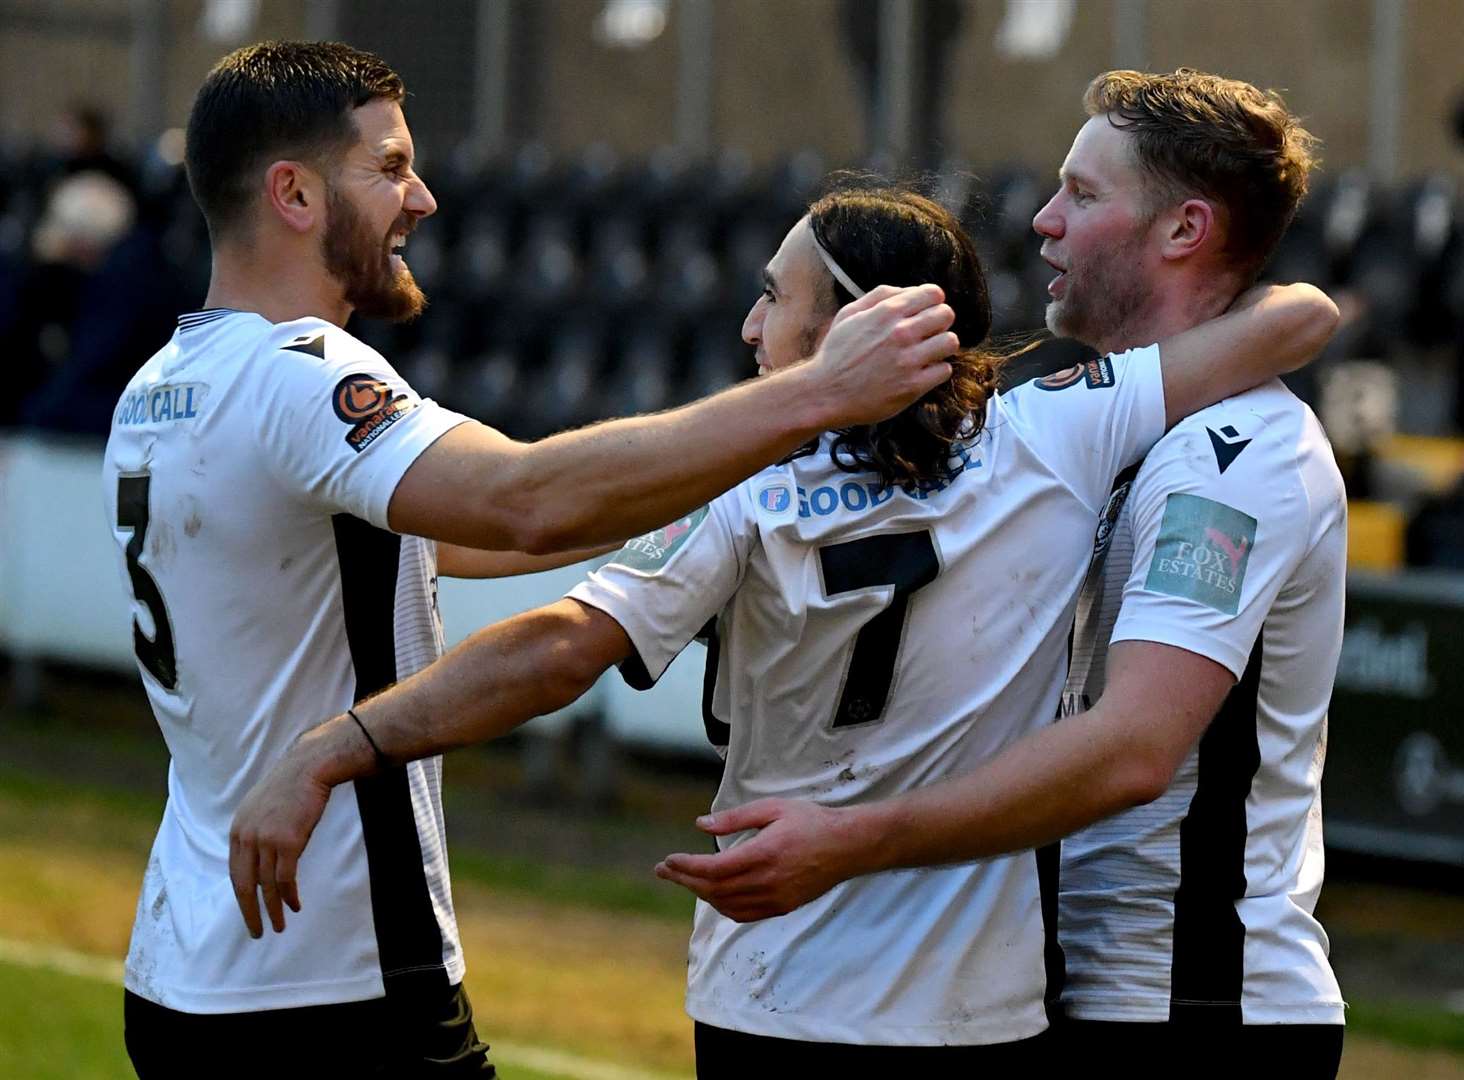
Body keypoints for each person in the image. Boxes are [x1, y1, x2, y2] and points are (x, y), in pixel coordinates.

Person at [227, 178, 1336, 1073]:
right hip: (984, 1014)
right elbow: (1291, 322)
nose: (753, 323)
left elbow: (560, 648)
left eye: (776, 295)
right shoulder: (1052, 433)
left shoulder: (747, 486)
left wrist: (348, 740)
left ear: (856, 324)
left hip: (779, 993)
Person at [104, 40, 959, 1079]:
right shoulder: (301, 371)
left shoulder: (162, 381)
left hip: (184, 963)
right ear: (292, 192)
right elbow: (526, 506)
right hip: (333, 975)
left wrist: (733, 474)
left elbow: (441, 538)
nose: (419, 197)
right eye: (387, 167)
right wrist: (816, 395)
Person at [653, 69, 1347, 1078]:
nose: (1043, 221)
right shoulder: (1099, 433)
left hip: (1198, 1003)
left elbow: (1132, 752)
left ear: (1185, 230)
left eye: (1085, 195)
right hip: (1089, 989)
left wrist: (852, 838)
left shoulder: (1237, 456)